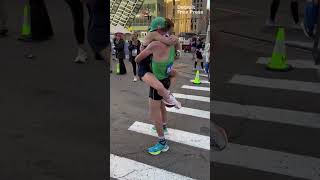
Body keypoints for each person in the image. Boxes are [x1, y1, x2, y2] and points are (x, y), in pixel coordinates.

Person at [135, 18, 180, 155]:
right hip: (165, 77)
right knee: (160, 106)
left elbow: (137, 59)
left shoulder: (154, 43)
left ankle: (162, 143)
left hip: (157, 79)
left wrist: (143, 50)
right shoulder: (173, 41)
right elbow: (175, 54)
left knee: (154, 112)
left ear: (157, 29)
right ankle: (164, 126)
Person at [136, 17, 181, 108]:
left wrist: (177, 48)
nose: (168, 34)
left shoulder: (157, 35)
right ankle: (167, 95)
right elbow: (168, 42)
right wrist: (176, 39)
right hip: (145, 63)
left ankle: (166, 93)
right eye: (167, 31)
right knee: (159, 87)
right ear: (159, 28)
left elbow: (173, 51)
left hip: (150, 61)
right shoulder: (153, 34)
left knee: (174, 74)